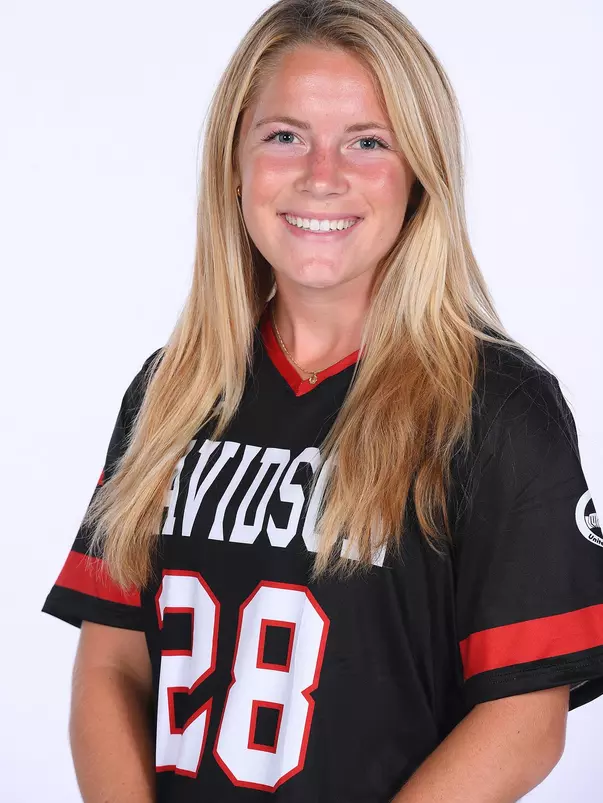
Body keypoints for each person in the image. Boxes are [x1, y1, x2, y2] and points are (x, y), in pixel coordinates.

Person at [42, 1, 603, 801]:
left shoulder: (499, 409)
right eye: (284, 135)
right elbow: (111, 662)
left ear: (419, 175)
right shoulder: (169, 392)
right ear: (233, 162)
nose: (321, 175)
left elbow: (522, 720)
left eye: (367, 142)